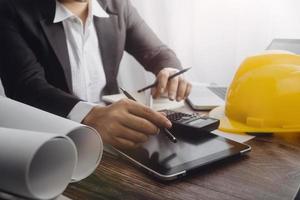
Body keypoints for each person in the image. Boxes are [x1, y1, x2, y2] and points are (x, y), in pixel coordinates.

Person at [0, 0, 192, 149]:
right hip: (53, 141)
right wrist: (90, 115)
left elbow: (157, 52)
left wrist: (170, 70)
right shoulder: (9, 9)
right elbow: (26, 86)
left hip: (118, 134)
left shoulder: (117, 4)